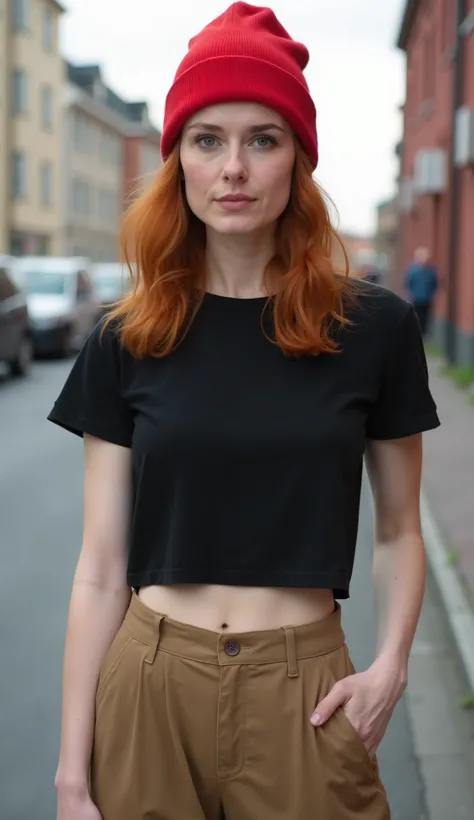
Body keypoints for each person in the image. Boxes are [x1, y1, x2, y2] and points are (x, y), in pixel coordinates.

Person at [48, 4, 440, 819]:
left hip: (305, 693)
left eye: (262, 138)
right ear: (179, 161)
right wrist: (71, 771)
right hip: (149, 683)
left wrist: (392, 666)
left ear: (297, 159)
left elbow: (401, 529)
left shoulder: (374, 329)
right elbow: (98, 567)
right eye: (208, 139)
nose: (233, 167)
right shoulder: (128, 337)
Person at [404, 247, 439, 337]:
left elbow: (435, 284)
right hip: (416, 297)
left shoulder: (431, 271)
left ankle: (424, 334)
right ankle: (416, 332)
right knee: (416, 315)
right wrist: (410, 292)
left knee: (426, 317)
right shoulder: (413, 271)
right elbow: (408, 282)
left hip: (427, 298)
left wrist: (433, 293)